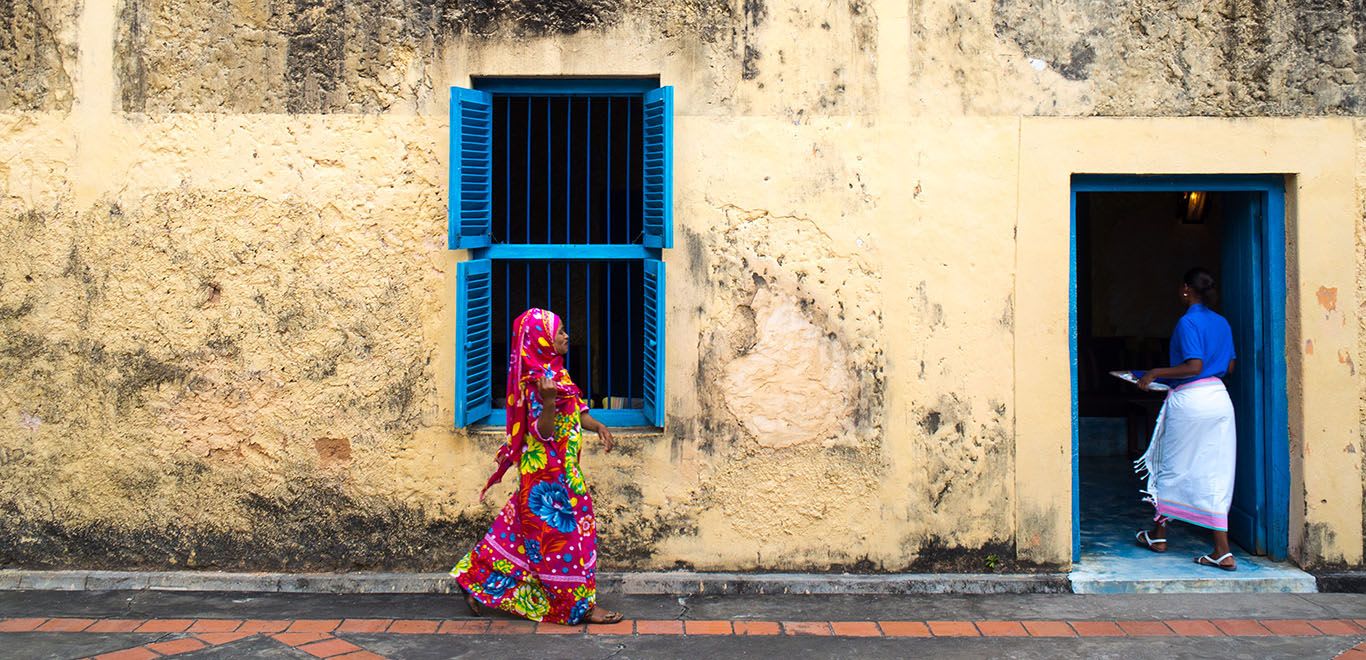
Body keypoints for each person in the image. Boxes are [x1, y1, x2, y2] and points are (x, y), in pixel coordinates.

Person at [451, 308, 624, 624]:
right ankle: (580, 606)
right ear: (541, 339)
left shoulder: (558, 373)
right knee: (570, 538)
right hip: (547, 477)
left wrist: (597, 425)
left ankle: (473, 578)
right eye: (559, 332)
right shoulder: (534, 382)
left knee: (517, 532)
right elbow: (541, 432)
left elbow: (576, 413)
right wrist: (546, 401)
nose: (565, 336)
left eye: (563, 330)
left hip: (565, 468)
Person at [1131, 267, 1239, 570]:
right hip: (1219, 399)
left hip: (1191, 400)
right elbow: (1228, 367)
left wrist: (1155, 373)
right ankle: (1222, 550)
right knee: (1217, 471)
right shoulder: (1222, 322)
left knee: (1171, 464)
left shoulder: (1187, 321)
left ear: (1185, 290)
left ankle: (1159, 534)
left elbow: (1193, 366)